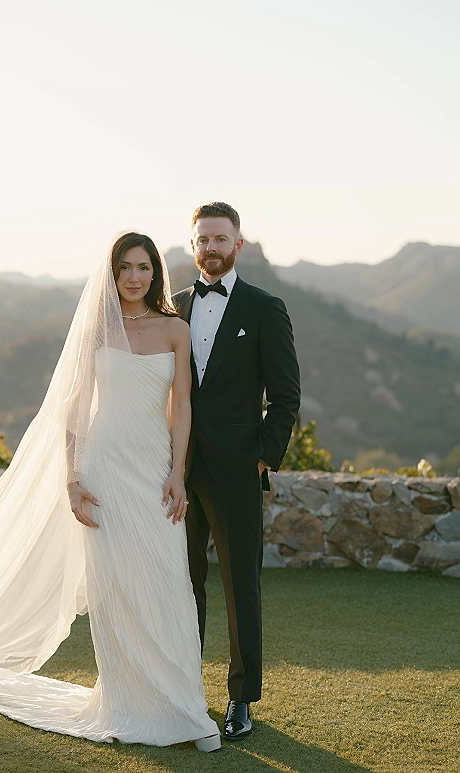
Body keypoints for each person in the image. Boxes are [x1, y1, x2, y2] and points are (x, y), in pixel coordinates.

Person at [0, 233, 220, 752]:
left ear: (156, 273)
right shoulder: (97, 330)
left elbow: (183, 409)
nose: (134, 277)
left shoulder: (176, 329)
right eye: (125, 267)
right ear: (113, 273)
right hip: (103, 470)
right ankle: (128, 704)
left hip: (153, 470)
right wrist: (72, 476)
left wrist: (177, 473)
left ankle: (183, 707)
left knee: (167, 580)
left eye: (144, 267)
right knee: (117, 590)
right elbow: (75, 405)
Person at [173, 202, 301, 740]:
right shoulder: (172, 306)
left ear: (238, 246)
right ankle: (182, 692)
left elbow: (286, 395)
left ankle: (241, 699)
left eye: (220, 239)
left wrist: (263, 456)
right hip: (176, 471)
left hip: (236, 472)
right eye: (203, 239)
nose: (211, 248)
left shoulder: (264, 307)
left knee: (238, 587)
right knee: (182, 586)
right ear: (193, 246)